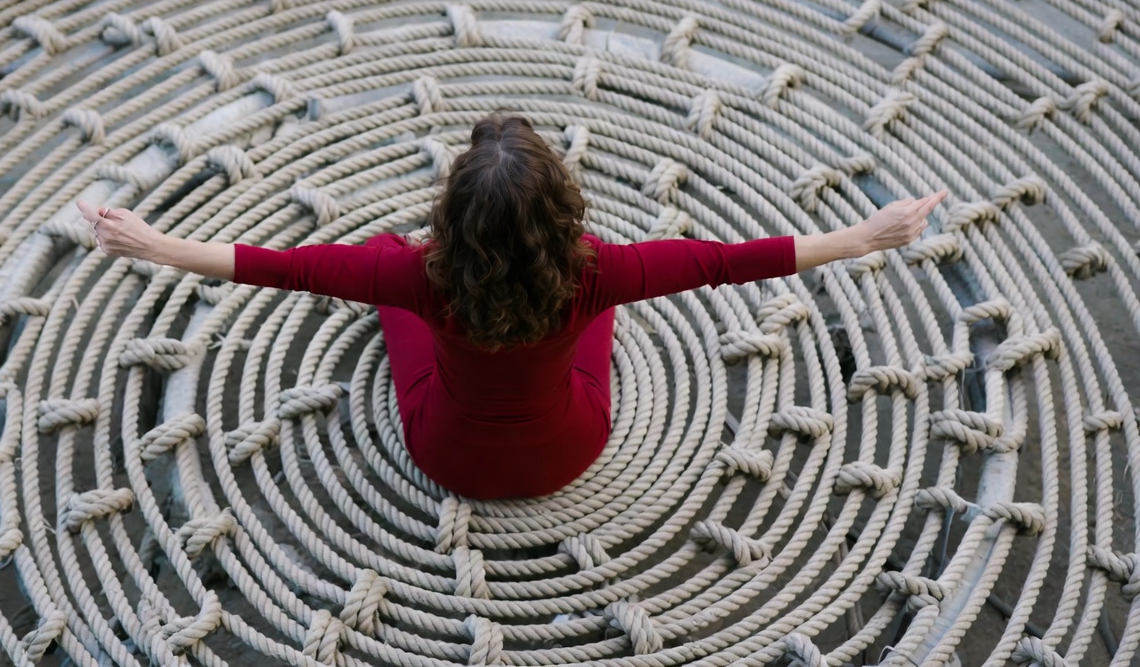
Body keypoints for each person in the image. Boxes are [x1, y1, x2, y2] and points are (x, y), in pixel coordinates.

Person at [78, 115, 946, 500]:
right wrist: (867, 235)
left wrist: (154, 244)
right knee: (605, 298)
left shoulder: (416, 275)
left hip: (447, 455)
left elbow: (284, 268)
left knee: (373, 260)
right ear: (557, 210)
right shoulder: (598, 270)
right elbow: (731, 261)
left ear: (453, 216)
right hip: (573, 449)